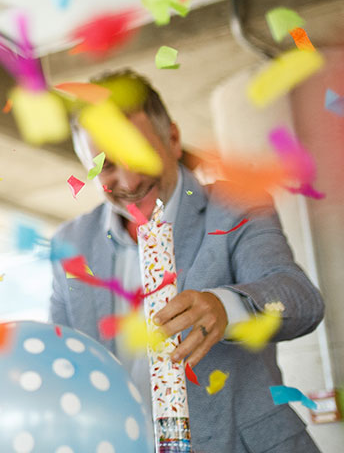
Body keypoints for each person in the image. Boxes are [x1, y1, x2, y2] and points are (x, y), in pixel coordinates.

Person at [50, 69, 324, 453]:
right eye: (106, 165)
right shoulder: (70, 244)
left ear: (173, 139)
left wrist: (227, 308)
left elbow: (300, 299)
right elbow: (63, 359)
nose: (128, 182)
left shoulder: (237, 205)